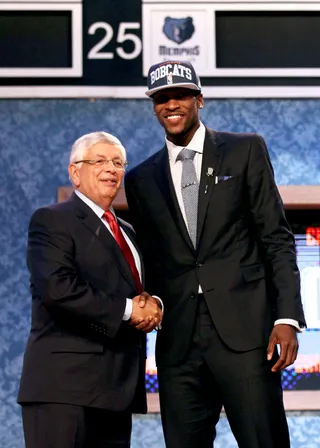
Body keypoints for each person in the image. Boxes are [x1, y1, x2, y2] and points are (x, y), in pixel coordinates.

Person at [125, 60, 306, 448]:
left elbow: (276, 238)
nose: (171, 104)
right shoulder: (140, 179)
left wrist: (287, 317)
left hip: (246, 336)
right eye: (161, 98)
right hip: (179, 345)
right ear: (154, 106)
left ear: (199, 99)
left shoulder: (244, 150)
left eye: (180, 95)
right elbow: (155, 259)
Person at [17, 131, 163, 448]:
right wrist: (128, 310)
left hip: (117, 391)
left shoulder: (128, 232)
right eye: (99, 161)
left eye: (117, 162)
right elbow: (58, 289)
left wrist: (155, 306)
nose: (111, 169)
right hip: (64, 389)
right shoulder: (52, 220)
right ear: (75, 172)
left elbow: (144, 292)